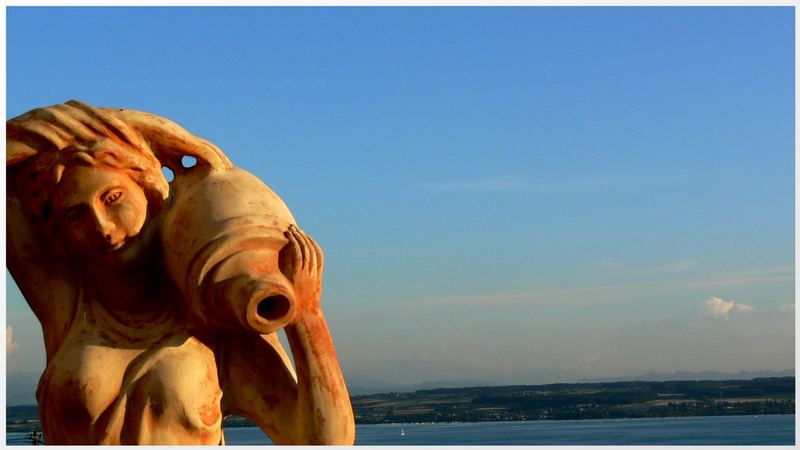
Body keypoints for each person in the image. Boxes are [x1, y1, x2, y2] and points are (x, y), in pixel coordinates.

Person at [6, 100, 355, 445]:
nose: (102, 228)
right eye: (75, 216)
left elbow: (322, 439)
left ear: (151, 190)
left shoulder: (216, 324)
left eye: (113, 198)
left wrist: (307, 315)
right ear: (62, 233)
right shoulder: (66, 304)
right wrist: (162, 135)